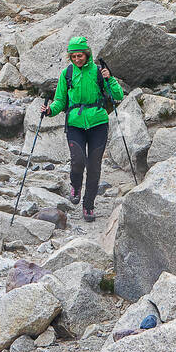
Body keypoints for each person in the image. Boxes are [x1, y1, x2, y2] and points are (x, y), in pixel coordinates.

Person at [47, 35, 124, 222]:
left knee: (94, 166)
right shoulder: (67, 73)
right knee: (78, 160)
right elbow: (60, 101)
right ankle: (75, 185)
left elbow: (118, 95)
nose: (76, 59)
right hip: (75, 124)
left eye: (79, 56)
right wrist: (50, 110)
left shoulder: (98, 72)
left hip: (98, 123)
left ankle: (88, 205)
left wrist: (110, 78)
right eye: (73, 56)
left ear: (87, 55)